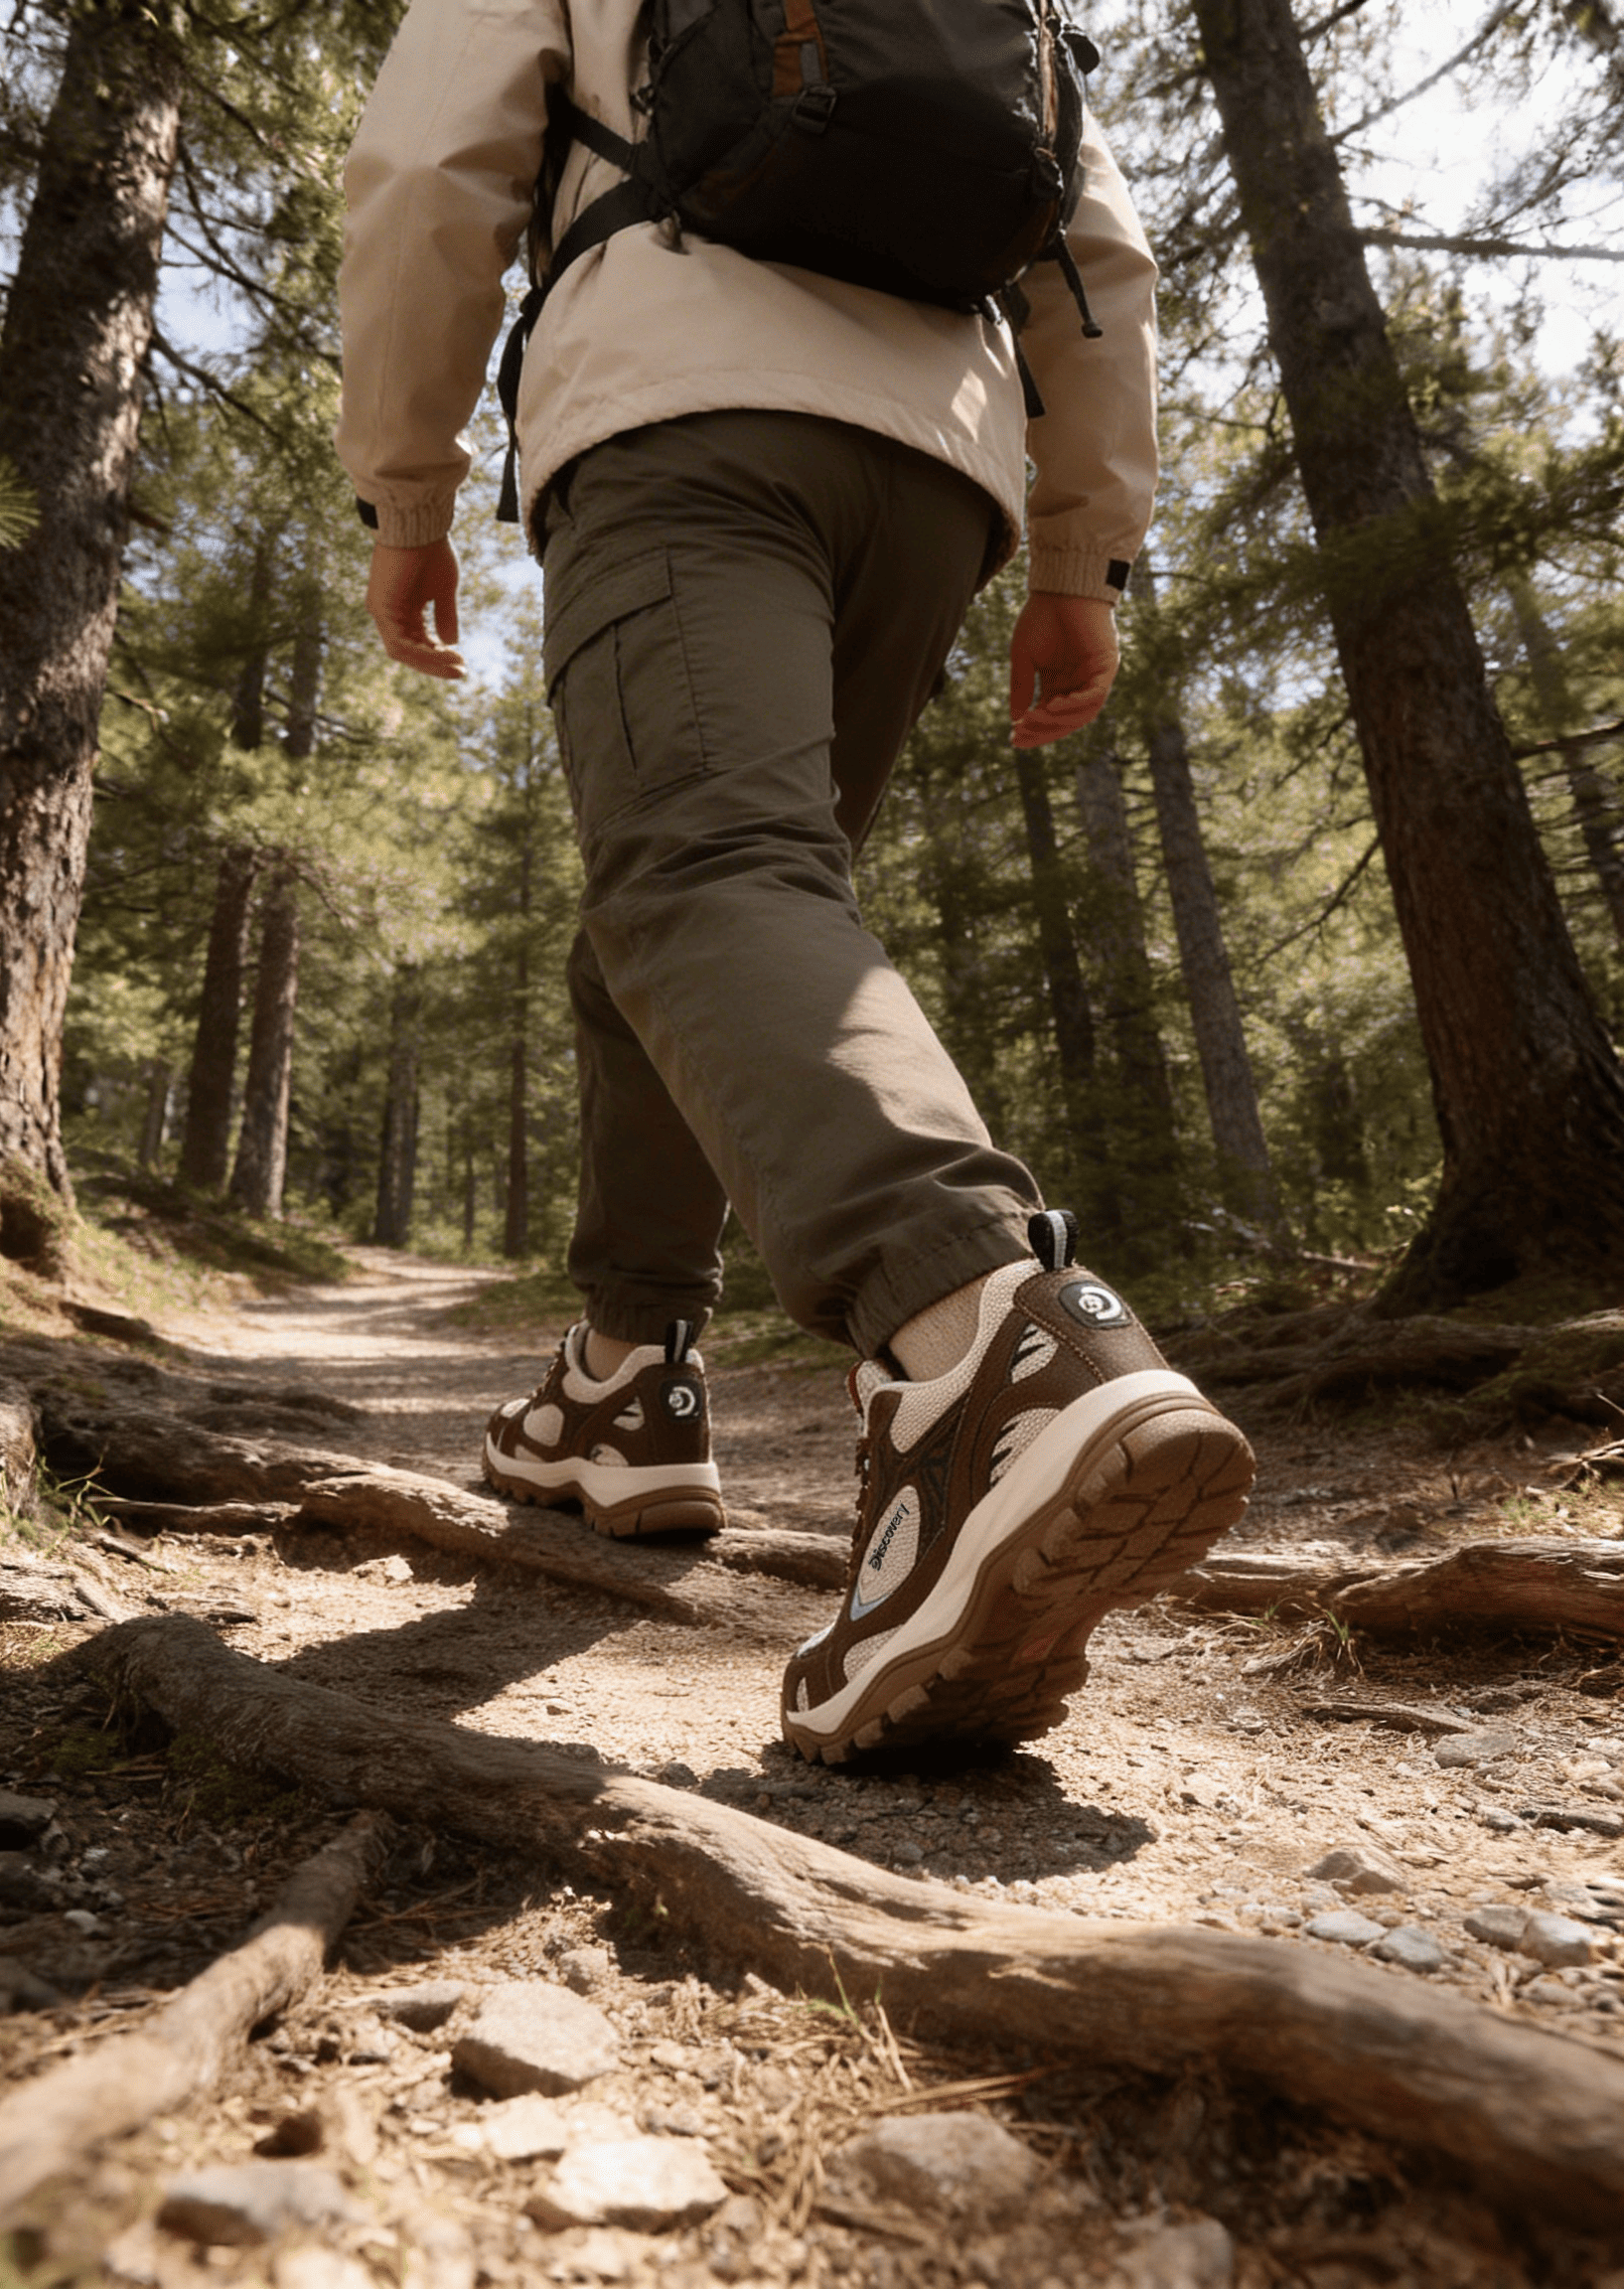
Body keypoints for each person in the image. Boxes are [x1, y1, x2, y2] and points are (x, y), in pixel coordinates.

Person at [337, 0, 1255, 1766]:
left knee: (705, 878)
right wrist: (1083, 544)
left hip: (683, 398)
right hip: (938, 465)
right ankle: (626, 1374)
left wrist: (406, 489)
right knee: (709, 924)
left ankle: (989, 1337)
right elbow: (1098, 247)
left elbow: (421, 168)